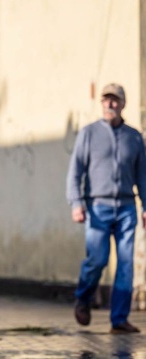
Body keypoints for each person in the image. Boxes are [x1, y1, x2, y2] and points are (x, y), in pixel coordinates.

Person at [66, 83, 146, 334]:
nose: (110, 104)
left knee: (125, 265)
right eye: (106, 100)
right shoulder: (88, 134)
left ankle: (119, 320)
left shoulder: (134, 137)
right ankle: (83, 298)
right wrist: (76, 203)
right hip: (97, 206)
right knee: (97, 260)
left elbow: (142, 176)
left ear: (123, 104)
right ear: (101, 104)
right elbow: (75, 171)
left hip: (126, 208)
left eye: (115, 100)